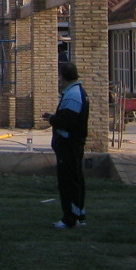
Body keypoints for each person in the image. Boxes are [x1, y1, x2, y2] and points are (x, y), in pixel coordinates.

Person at [42, 62, 89, 229]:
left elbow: (67, 122)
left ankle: (70, 219)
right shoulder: (75, 92)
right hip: (71, 145)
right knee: (75, 180)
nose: (58, 79)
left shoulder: (73, 95)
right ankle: (79, 215)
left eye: (59, 75)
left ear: (64, 76)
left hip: (69, 146)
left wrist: (51, 119)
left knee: (68, 183)